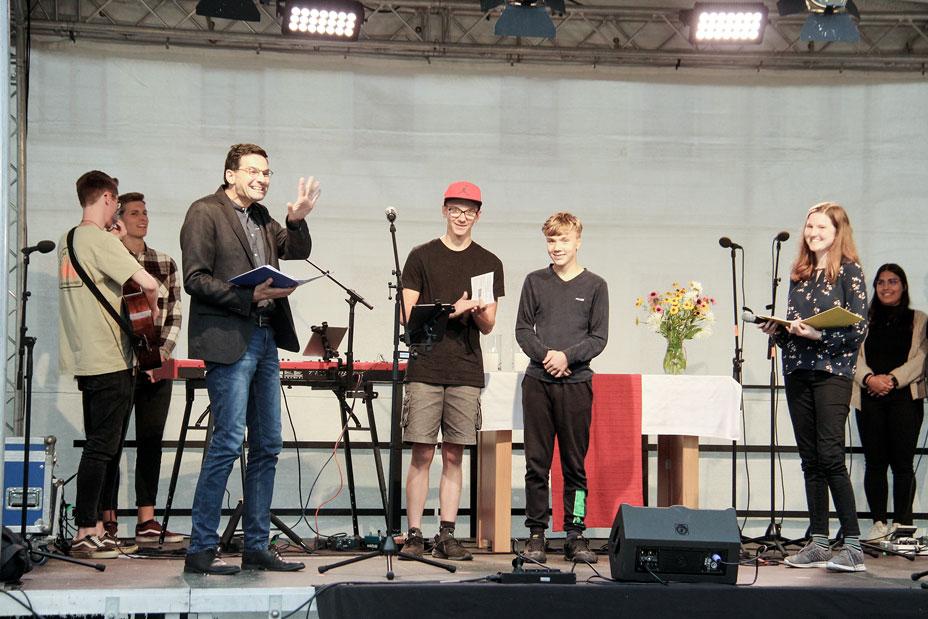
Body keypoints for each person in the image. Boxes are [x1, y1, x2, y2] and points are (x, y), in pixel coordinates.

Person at [180, 144, 316, 575]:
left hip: (265, 337)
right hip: (228, 339)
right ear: (230, 173)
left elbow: (295, 250)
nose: (262, 178)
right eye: (254, 171)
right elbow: (194, 279)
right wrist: (247, 294)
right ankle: (201, 549)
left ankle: (256, 545)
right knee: (226, 442)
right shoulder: (205, 212)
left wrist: (297, 219)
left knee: (268, 445)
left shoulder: (261, 217)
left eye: (267, 172)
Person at [761, 202, 869, 573]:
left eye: (821, 227)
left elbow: (857, 330)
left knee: (830, 455)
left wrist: (819, 334)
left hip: (832, 372)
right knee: (810, 459)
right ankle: (820, 540)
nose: (813, 233)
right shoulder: (800, 274)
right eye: (809, 226)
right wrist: (779, 331)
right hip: (799, 370)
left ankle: (853, 544)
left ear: (838, 231)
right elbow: (795, 330)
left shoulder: (849, 272)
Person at [58, 171, 160, 559]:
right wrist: (149, 314)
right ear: (107, 198)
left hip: (83, 357)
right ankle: (87, 529)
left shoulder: (70, 241)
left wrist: (113, 240)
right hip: (109, 357)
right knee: (103, 448)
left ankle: (97, 527)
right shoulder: (99, 240)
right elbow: (148, 284)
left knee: (100, 444)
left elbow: (97, 279)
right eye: (116, 204)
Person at [400, 181, 504, 561]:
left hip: (465, 368)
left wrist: (477, 311)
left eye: (470, 211)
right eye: (456, 210)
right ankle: (413, 533)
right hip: (427, 365)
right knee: (423, 454)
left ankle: (446, 533)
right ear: (444, 210)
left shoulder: (489, 262)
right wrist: (451, 310)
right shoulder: (421, 256)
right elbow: (407, 318)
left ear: (479, 215)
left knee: (455, 455)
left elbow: (490, 323)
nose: (462, 217)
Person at [514, 212, 608, 564]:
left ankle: (576, 531)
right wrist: (547, 356)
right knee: (536, 463)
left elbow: (599, 337)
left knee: (574, 465)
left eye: (564, 240)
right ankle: (536, 533)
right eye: (552, 241)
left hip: (577, 385)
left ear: (578, 241)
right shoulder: (534, 282)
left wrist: (567, 357)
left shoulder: (596, 285)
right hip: (538, 382)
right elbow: (524, 330)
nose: (557, 247)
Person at [98, 192, 185, 544]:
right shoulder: (109, 258)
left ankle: (147, 519)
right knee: (111, 443)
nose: (143, 218)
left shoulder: (164, 262)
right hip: (117, 364)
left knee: (151, 441)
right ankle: (107, 518)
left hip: (155, 366)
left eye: (145, 213)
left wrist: (160, 355)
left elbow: (175, 313)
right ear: (119, 218)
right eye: (135, 213)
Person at [851, 264, 926, 542]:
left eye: (893, 281)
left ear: (903, 286)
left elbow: (921, 359)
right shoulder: (862, 320)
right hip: (869, 399)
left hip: (905, 399)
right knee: (875, 463)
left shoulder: (918, 319)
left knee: (903, 465)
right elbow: (852, 357)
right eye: (881, 282)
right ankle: (879, 523)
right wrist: (870, 379)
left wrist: (892, 380)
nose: (886, 287)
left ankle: (903, 525)